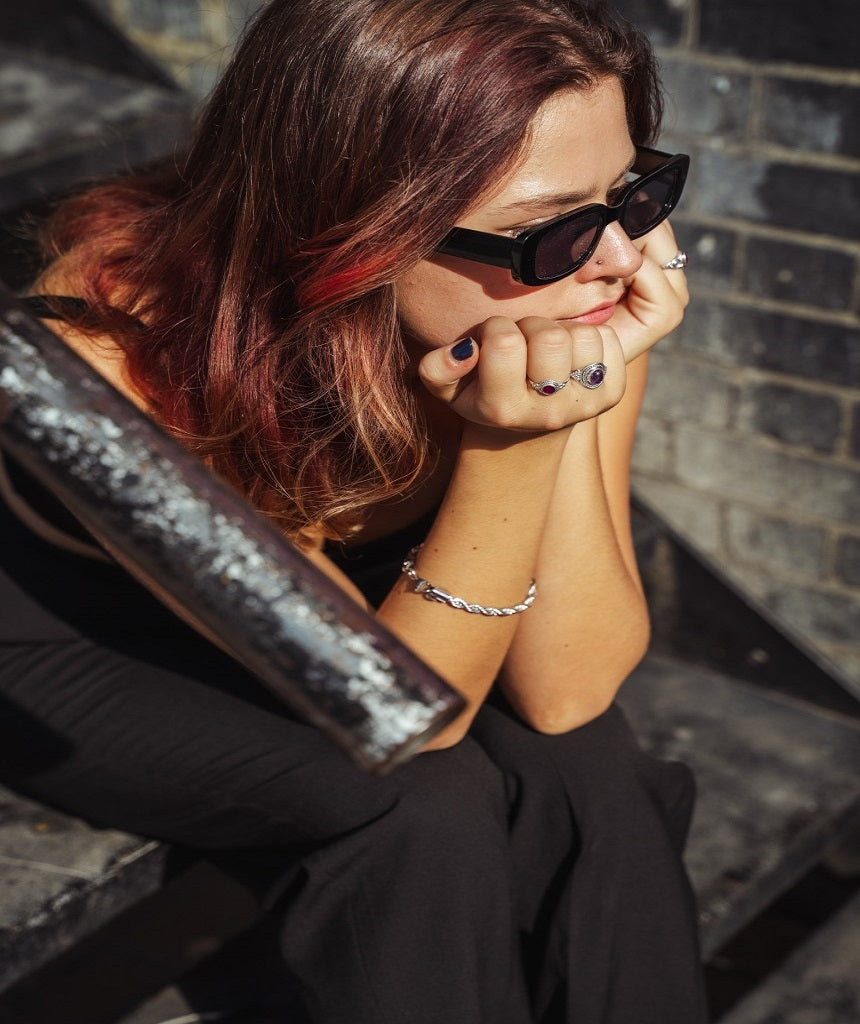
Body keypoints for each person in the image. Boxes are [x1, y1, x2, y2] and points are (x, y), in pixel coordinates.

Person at [0, 0, 708, 1020]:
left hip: (360, 600)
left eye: (631, 194)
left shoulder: (575, 284)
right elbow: (412, 719)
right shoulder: (121, 361)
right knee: (416, 804)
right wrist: (513, 444)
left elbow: (568, 691)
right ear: (358, 232)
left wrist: (555, 418)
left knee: (582, 770)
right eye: (542, 233)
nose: (612, 258)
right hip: (94, 631)